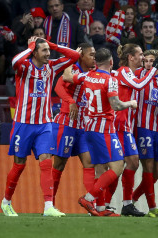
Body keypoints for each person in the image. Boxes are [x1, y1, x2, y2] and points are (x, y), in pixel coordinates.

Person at [0, 37, 80, 217]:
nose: (48, 54)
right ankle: (6, 202)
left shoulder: (51, 67)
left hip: (44, 124)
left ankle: (48, 206)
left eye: (48, 50)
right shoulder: (25, 67)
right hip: (23, 123)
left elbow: (74, 55)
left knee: (45, 161)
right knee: (19, 165)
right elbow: (15, 61)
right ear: (34, 52)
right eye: (44, 51)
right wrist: (30, 47)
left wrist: (51, 44)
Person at [64, 48, 137, 217]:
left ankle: (102, 209)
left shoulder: (86, 76)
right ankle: (89, 198)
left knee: (101, 169)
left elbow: (66, 76)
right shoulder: (110, 80)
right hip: (104, 129)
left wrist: (72, 58)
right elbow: (116, 105)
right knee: (117, 167)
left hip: (89, 128)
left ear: (96, 62)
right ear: (111, 62)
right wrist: (131, 103)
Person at [113, 43, 158, 217]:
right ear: (131, 57)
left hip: (126, 125)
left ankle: (126, 204)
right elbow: (139, 86)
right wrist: (152, 71)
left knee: (131, 162)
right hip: (118, 124)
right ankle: (99, 201)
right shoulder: (125, 71)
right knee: (114, 166)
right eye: (140, 54)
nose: (142, 57)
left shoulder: (129, 73)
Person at [51, 43, 96, 207]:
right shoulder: (72, 69)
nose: (94, 57)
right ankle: (50, 204)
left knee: (89, 162)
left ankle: (92, 203)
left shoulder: (94, 72)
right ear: (82, 56)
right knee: (59, 164)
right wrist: (70, 101)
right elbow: (57, 86)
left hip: (83, 125)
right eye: (91, 54)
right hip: (67, 122)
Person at [130, 49, 158, 217]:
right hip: (142, 127)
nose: (148, 64)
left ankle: (133, 197)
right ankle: (152, 207)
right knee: (148, 166)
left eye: (151, 61)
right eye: (145, 60)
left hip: (157, 129)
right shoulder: (136, 76)